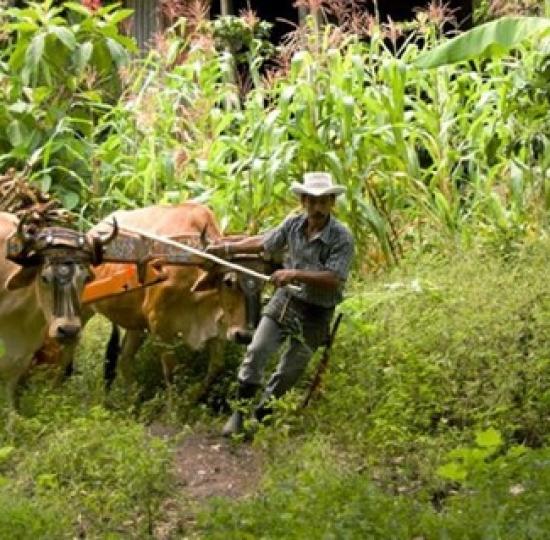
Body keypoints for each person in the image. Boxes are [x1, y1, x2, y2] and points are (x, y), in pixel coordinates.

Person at [207, 172, 354, 436]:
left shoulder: (341, 237)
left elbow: (334, 278)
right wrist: (227, 249)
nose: (316, 208)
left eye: (323, 201)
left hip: (317, 312)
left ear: (332, 202)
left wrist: (294, 274)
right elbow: (265, 243)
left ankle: (261, 416)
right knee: (257, 350)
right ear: (303, 201)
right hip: (286, 301)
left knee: (289, 371)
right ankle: (239, 414)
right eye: (311, 201)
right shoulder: (294, 224)